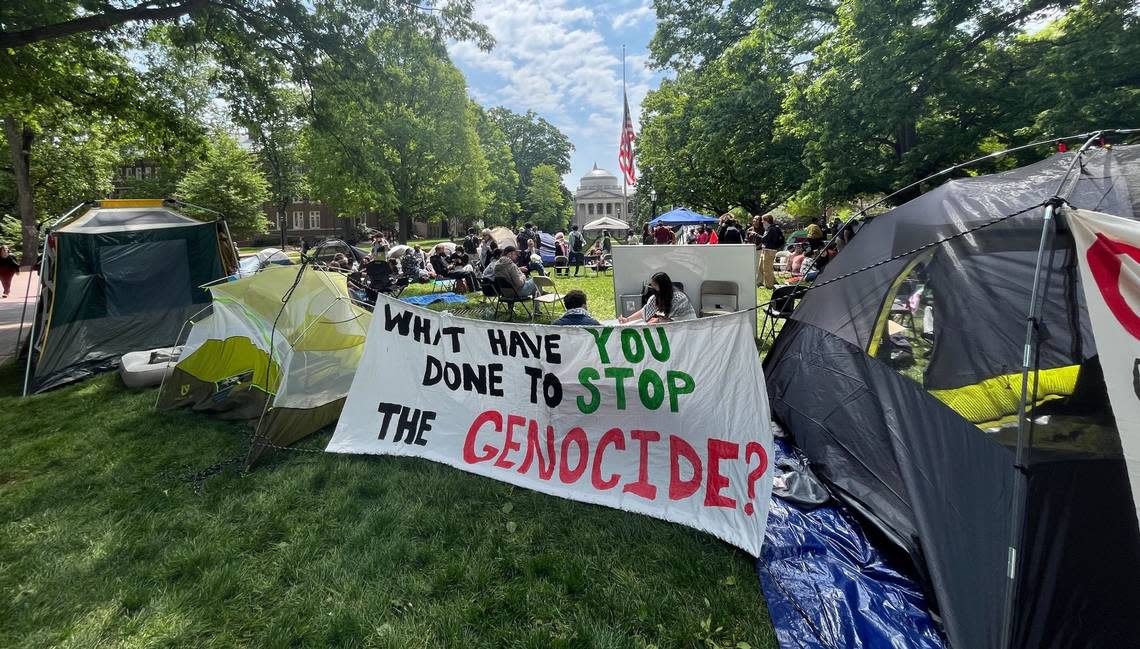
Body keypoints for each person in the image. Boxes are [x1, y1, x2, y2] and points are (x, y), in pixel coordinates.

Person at [619, 271, 695, 324]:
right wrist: (627, 319)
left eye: (655, 285)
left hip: (687, 329)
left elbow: (678, 322)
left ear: (663, 286)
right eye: (652, 285)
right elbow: (644, 312)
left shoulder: (680, 298)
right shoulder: (655, 297)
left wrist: (658, 320)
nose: (652, 288)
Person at [758, 215, 785, 289]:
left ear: (767, 220)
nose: (762, 222)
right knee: (761, 268)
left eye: (763, 220)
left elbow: (764, 239)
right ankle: (773, 282)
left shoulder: (771, 229)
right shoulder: (771, 228)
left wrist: (756, 235)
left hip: (769, 250)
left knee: (767, 269)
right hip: (766, 250)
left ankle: (769, 286)